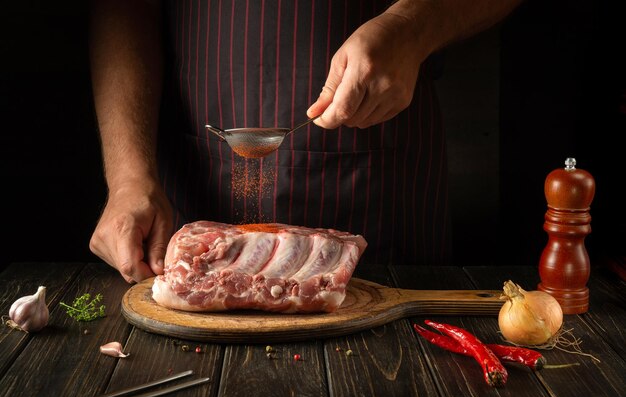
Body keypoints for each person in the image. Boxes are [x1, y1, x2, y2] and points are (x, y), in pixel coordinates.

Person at [89, 0, 521, 283]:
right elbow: (122, 7)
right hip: (196, 190)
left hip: (383, 200)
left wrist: (412, 26)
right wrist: (129, 176)